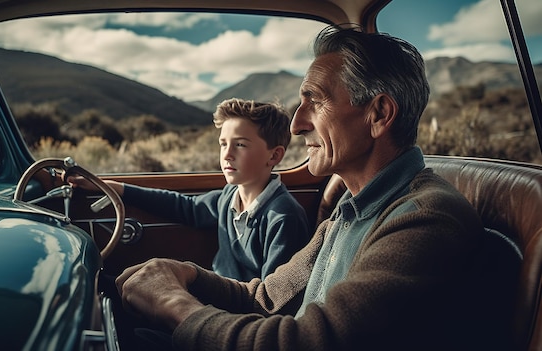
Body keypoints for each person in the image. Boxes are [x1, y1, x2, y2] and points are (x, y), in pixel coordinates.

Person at [113, 27, 516, 350]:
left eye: (315, 101)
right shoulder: (350, 208)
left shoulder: (425, 219)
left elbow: (307, 342)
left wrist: (173, 305)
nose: (296, 123)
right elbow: (266, 299)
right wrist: (185, 275)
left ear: (378, 114)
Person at [69, 98, 310, 282]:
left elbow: (273, 298)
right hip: (216, 295)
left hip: (239, 314)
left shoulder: (283, 218)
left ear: (274, 155)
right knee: (125, 284)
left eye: (240, 144)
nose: (227, 154)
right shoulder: (229, 196)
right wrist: (117, 189)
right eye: (223, 144)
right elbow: (185, 207)